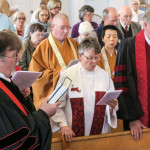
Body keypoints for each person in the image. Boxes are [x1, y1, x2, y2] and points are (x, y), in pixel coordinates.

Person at [0, 30, 60, 149]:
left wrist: (20, 97)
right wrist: (43, 114)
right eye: (14, 55)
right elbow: (16, 137)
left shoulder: (5, 83)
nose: (19, 59)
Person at [51, 37, 118, 142]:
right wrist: (63, 125)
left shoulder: (104, 76)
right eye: (90, 58)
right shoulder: (68, 75)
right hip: (73, 135)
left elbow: (110, 105)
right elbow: (56, 105)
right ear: (80, 56)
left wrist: (111, 107)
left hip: (99, 135)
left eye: (97, 57)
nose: (94, 62)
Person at [114, 9, 150, 141]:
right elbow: (121, 84)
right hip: (137, 117)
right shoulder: (128, 46)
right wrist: (132, 118)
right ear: (145, 25)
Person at [29, 13, 78, 109]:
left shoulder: (74, 44)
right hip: (53, 96)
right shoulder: (43, 47)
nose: (66, 31)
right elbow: (36, 76)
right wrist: (58, 74)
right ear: (53, 27)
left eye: (68, 27)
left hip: (74, 92)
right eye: (62, 28)